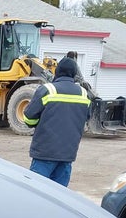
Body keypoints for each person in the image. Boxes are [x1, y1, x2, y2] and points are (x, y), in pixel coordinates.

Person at [23, 57, 91, 187]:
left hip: (44, 153)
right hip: (67, 155)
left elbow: (29, 118)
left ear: (57, 71)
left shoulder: (47, 90)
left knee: (37, 191)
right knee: (59, 194)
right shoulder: (83, 93)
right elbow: (86, 118)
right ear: (74, 73)